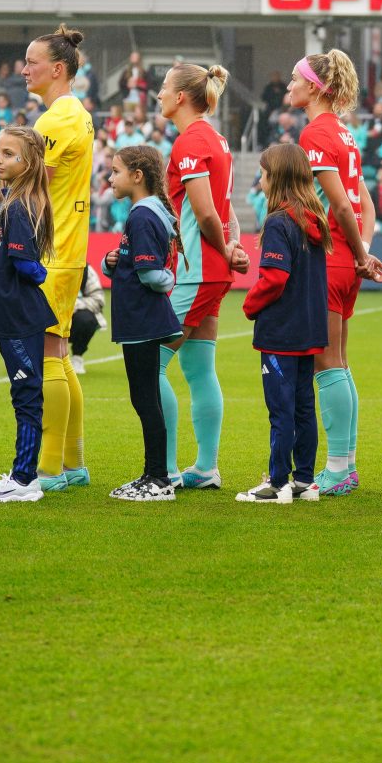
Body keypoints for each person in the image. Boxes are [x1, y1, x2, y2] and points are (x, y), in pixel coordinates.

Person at [293, 51, 382, 496]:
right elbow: (364, 204)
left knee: (326, 364)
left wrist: (355, 253)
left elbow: (338, 205)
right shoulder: (344, 134)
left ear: (315, 86)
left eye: (296, 79)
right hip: (344, 260)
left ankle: (336, 469)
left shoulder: (315, 133)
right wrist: (364, 252)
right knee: (341, 362)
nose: (290, 86)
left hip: (326, 259)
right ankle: (345, 464)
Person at [158, 63, 242, 490]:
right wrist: (232, 245)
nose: (158, 95)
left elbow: (206, 210)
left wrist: (225, 247)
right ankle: (205, 467)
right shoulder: (216, 138)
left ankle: (165, 471)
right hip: (211, 270)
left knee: (148, 363)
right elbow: (221, 211)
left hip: (196, 270)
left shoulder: (191, 140)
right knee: (199, 367)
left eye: (163, 88)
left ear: (181, 98)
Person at [237, 144, 331, 504]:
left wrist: (250, 304)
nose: (259, 179)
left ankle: (277, 484)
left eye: (262, 173)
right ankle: (304, 481)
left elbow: (275, 278)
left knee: (281, 409)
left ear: (275, 177)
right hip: (308, 330)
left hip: (281, 332)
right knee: (304, 406)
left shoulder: (279, 221)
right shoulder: (313, 217)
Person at [24, 26, 95, 491]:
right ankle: (72, 463)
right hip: (68, 250)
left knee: (47, 353)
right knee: (60, 352)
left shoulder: (55, 120)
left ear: (58, 68)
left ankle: (47, 468)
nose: (24, 68)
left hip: (53, 251)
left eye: (31, 61)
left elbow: (32, 185)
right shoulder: (74, 115)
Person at [0, 127, 57, 503]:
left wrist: (36, 272)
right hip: (13, 315)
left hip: (18, 315)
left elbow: (27, 264)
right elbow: (8, 253)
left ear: (28, 163)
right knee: (25, 393)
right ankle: (24, 476)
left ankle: (24, 479)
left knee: (26, 394)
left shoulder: (19, 206)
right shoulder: (14, 201)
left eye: (9, 154)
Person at [102, 146, 181, 502]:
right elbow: (134, 261)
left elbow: (150, 272)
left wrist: (165, 279)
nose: (110, 178)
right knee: (145, 398)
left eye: (115, 171)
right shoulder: (145, 214)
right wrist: (112, 261)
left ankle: (159, 478)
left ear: (137, 176)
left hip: (143, 320)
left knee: (145, 399)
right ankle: (153, 474)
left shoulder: (141, 216)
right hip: (141, 320)